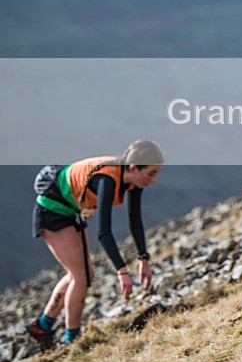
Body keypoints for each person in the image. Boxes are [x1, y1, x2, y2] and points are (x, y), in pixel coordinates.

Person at [25, 140, 164, 350]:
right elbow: (104, 232)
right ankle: (72, 341)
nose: (154, 180)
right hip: (51, 212)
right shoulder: (107, 179)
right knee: (81, 278)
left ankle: (42, 326)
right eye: (152, 173)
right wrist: (122, 271)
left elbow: (135, 221)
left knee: (82, 275)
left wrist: (143, 259)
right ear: (134, 167)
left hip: (70, 211)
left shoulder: (134, 180)